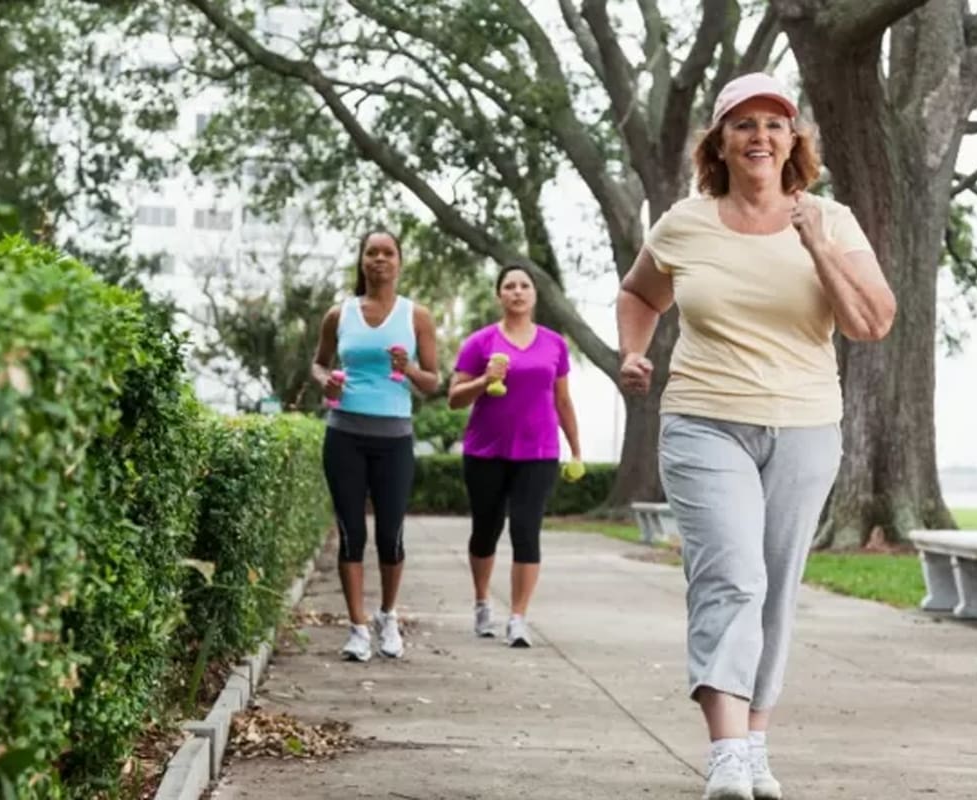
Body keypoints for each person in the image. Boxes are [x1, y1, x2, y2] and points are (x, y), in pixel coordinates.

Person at [615, 73, 896, 800]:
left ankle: (755, 744)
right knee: (731, 576)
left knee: (776, 591)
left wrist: (816, 246)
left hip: (805, 427)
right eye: (744, 124)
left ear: (793, 141)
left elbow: (872, 323)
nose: (760, 137)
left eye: (775, 124)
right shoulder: (684, 222)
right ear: (721, 141)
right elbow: (640, 293)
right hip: (705, 420)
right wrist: (633, 351)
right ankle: (726, 752)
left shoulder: (830, 221)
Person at [311, 229, 440, 662]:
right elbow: (318, 363)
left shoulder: (416, 315)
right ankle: (357, 628)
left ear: (400, 262)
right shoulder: (339, 313)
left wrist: (410, 368)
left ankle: (388, 616)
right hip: (344, 435)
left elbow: (433, 383)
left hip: (394, 439)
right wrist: (324, 380)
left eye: (388, 253)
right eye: (372, 252)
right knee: (351, 533)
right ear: (362, 261)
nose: (380, 259)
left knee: (390, 535)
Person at [448, 263, 582, 648]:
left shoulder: (554, 344)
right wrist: (483, 380)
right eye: (509, 286)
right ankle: (481, 603)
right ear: (499, 295)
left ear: (535, 294)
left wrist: (575, 448)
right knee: (486, 531)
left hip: (538, 452)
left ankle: (519, 618)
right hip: (485, 452)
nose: (518, 292)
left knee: (526, 532)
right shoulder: (480, 342)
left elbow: (562, 400)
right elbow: (455, 398)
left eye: (525, 285)